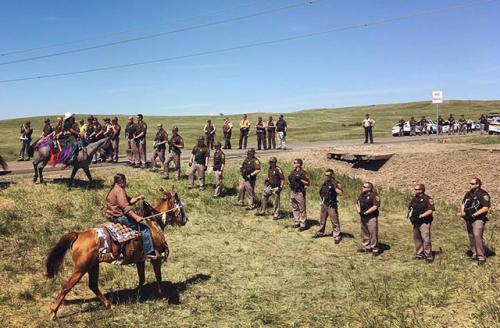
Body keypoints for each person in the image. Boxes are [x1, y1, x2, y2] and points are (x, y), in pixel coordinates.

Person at [105, 173, 157, 259]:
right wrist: (136, 217)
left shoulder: (115, 189)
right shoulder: (119, 191)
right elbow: (125, 207)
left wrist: (138, 198)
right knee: (144, 228)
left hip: (113, 217)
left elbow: (128, 201)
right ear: (122, 181)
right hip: (119, 217)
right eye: (125, 181)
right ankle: (149, 252)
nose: (126, 183)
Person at [461, 178, 491, 266]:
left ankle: (481, 257)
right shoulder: (468, 193)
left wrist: (474, 215)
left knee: (477, 236)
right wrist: (463, 213)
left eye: (472, 183)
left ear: (478, 184)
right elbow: (463, 203)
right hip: (468, 218)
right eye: (470, 183)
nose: (470, 185)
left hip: (478, 219)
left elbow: (485, 207)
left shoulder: (483, 194)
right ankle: (474, 253)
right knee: (471, 236)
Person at [407, 183, 435, 263]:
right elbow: (410, 208)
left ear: (421, 190)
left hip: (424, 222)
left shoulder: (428, 199)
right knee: (417, 238)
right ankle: (419, 254)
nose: (415, 191)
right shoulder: (414, 198)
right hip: (416, 222)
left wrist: (421, 216)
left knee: (426, 239)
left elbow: (430, 210)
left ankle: (428, 256)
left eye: (417, 189)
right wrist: (410, 216)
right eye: (415, 189)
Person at [314, 169, 343, 243]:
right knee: (322, 219)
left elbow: (341, 193)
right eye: (326, 175)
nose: (327, 176)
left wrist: (335, 187)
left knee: (334, 220)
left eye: (328, 175)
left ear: (332, 175)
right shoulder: (325, 182)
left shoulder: (335, 183)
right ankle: (320, 232)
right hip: (324, 203)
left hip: (331, 204)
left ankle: (337, 235)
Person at [356, 182, 381, 255]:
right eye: (363, 186)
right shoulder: (362, 195)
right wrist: (359, 212)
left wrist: (366, 212)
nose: (362, 188)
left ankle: (375, 248)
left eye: (364, 187)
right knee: (364, 232)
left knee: (373, 233)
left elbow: (376, 206)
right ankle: (366, 247)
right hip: (363, 217)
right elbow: (357, 203)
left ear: (369, 188)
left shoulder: (374, 195)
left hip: (371, 217)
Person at [288, 159, 310, 231]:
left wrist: (300, 179)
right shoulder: (292, 172)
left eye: (295, 163)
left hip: (300, 192)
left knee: (302, 209)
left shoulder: (303, 173)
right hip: (293, 191)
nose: (293, 164)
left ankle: (303, 224)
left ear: (299, 164)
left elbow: (308, 183)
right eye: (293, 163)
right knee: (295, 208)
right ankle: (296, 222)